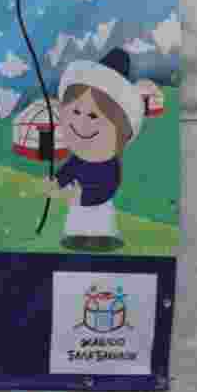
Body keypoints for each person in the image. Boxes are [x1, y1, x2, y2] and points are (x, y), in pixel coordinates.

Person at [37, 48, 144, 252]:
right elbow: (68, 171)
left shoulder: (109, 165)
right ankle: (77, 239)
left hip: (98, 206)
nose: (81, 123)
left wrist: (81, 197)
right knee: (77, 225)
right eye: (76, 111)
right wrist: (56, 182)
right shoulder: (79, 158)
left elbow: (108, 188)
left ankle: (99, 240)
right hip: (77, 204)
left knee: (98, 225)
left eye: (94, 116)